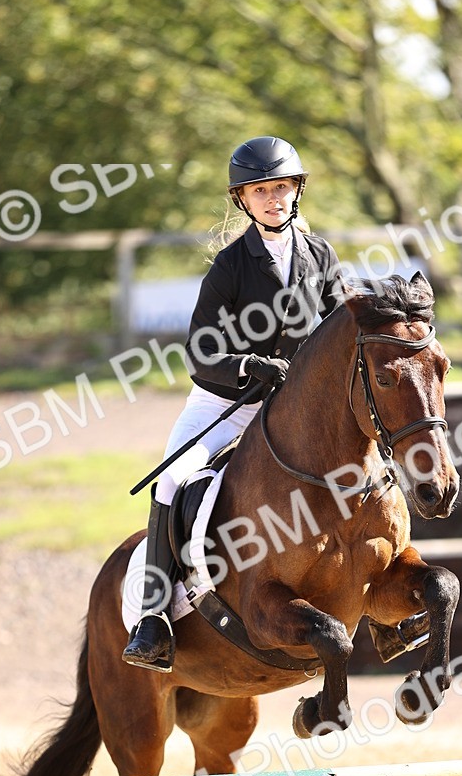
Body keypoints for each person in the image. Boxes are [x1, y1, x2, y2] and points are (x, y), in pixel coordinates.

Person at [123, 135, 343, 671]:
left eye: (281, 187)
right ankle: (153, 618)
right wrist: (248, 366)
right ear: (242, 199)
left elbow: (343, 327)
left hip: (292, 409)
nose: (273, 199)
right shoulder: (229, 266)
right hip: (226, 404)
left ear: (297, 191)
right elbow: (199, 351)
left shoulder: (320, 255)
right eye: (260, 190)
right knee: (171, 481)